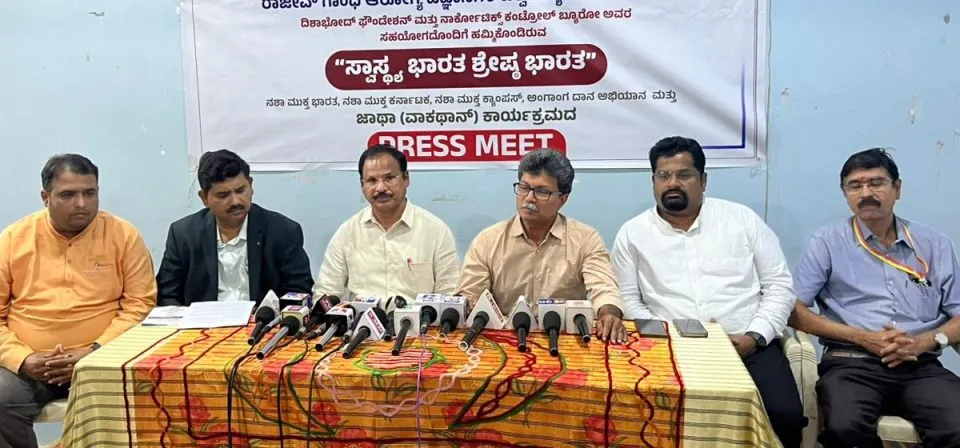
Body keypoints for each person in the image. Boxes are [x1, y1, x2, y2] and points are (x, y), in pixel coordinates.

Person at [611, 136, 805, 448]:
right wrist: (665, 337)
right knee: (641, 415)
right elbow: (629, 300)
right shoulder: (632, 234)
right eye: (663, 175)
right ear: (653, 181)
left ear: (703, 180)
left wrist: (754, 337)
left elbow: (779, 287)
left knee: (784, 416)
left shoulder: (742, 220)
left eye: (684, 175)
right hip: (669, 349)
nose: (672, 183)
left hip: (747, 345)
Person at [0, 154, 157, 448]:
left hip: (103, 359)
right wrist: (23, 359)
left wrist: (95, 351)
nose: (81, 203)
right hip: (29, 363)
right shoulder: (14, 239)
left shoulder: (124, 236)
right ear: (46, 197)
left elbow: (140, 304)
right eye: (68, 195)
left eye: (89, 193)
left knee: (150, 396)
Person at [790, 148, 960, 448]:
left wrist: (927, 341)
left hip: (919, 365)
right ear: (845, 194)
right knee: (844, 428)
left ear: (897, 189)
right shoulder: (827, 242)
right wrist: (863, 338)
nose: (866, 193)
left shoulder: (934, 244)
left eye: (876, 183)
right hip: (851, 364)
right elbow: (795, 310)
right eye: (855, 185)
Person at [456, 148, 626, 342]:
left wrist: (608, 313)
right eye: (524, 188)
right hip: (506, 339)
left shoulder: (586, 239)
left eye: (541, 191)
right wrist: (468, 304)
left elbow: (604, 287)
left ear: (562, 199)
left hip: (564, 339)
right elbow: (469, 295)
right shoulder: (488, 240)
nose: (529, 198)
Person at [156, 149, 313, 306]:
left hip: (262, 320)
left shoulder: (283, 231)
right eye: (223, 195)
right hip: (203, 321)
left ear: (250, 185)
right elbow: (167, 296)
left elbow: (299, 291)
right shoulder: (183, 234)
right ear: (204, 198)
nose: (235, 201)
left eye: (240, 190)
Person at [313, 144, 460, 301]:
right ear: (362, 185)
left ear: (406, 178)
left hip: (420, 317)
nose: (381, 188)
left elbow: (450, 295)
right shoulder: (347, 233)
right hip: (362, 316)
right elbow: (325, 293)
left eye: (389, 178)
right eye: (371, 180)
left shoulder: (436, 231)